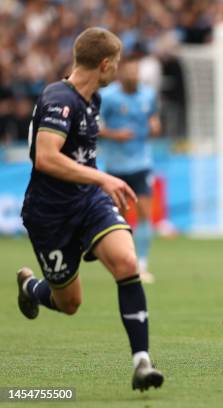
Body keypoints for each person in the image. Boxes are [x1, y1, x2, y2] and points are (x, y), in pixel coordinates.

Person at [17, 27, 163, 390]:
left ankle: (142, 361)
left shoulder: (92, 100)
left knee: (127, 263)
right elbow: (46, 159)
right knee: (69, 303)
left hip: (88, 202)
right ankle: (31, 288)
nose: (117, 71)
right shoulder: (58, 100)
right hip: (49, 213)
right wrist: (104, 179)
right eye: (115, 64)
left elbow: (80, 156)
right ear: (105, 64)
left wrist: (97, 184)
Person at [99, 54, 161, 284]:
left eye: (136, 71)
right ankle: (124, 262)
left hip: (141, 164)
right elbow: (95, 128)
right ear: (120, 73)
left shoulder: (148, 95)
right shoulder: (108, 97)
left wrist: (155, 126)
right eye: (129, 71)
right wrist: (116, 135)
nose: (133, 75)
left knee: (145, 213)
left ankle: (141, 263)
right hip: (116, 166)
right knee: (120, 218)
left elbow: (154, 120)